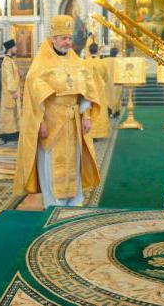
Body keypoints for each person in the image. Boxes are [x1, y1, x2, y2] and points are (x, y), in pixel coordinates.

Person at [13, 15, 102, 208]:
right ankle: (53, 202)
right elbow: (35, 93)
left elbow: (85, 89)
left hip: (73, 120)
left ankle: (73, 200)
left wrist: (86, 116)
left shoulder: (76, 61)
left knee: (74, 160)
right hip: (52, 121)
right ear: (53, 38)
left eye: (69, 39)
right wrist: (41, 122)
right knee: (51, 162)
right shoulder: (42, 61)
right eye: (63, 38)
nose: (68, 42)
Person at [84, 42, 110, 138]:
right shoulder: (102, 62)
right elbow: (106, 77)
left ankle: (89, 132)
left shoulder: (84, 62)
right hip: (99, 90)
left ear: (89, 50)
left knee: (89, 109)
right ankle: (99, 133)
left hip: (88, 91)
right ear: (97, 50)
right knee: (100, 109)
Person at [0, 39, 21, 143]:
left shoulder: (11, 60)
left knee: (13, 113)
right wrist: (13, 91)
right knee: (9, 112)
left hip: (13, 91)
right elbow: (9, 78)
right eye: (15, 47)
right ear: (10, 49)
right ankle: (7, 133)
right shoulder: (6, 62)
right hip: (10, 92)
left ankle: (14, 131)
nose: (16, 49)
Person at [105, 47, 123, 118]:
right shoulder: (119, 60)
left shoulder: (105, 60)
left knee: (108, 96)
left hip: (108, 81)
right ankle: (116, 112)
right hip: (117, 82)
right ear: (116, 53)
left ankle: (109, 111)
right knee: (117, 97)